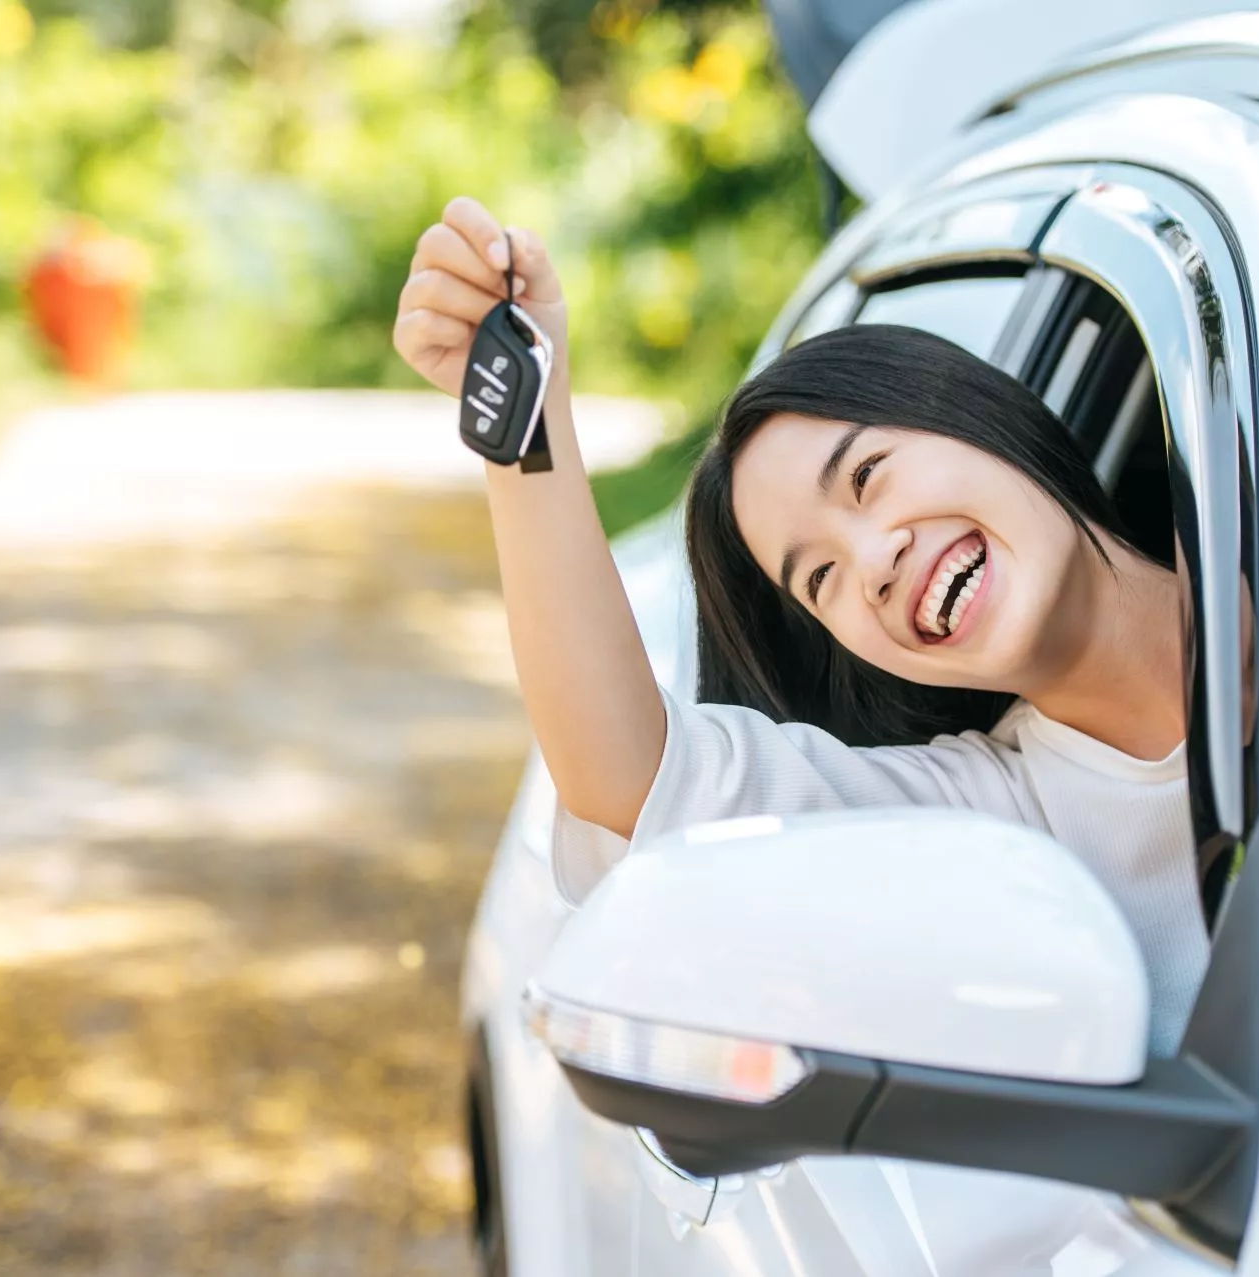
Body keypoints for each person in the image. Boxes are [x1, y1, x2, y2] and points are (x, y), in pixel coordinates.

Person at [393, 197, 1207, 1052]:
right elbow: (624, 775)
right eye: (821, 579)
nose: (875, 563)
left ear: (981, 417)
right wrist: (526, 416)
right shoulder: (997, 819)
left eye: (867, 476)